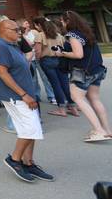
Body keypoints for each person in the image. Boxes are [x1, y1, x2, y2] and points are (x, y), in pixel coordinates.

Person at [0, 19, 53, 183]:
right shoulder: (0, 46)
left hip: (26, 94)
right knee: (31, 127)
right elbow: (2, 73)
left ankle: (28, 162)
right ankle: (15, 159)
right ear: (4, 30)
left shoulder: (13, 45)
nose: (19, 32)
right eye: (16, 30)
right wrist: (23, 94)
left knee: (30, 129)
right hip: (16, 96)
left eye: (19, 29)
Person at [57, 11, 110, 142]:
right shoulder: (87, 33)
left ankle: (99, 130)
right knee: (95, 99)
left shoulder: (72, 35)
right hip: (96, 70)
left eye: (62, 21)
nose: (62, 24)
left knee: (77, 98)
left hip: (82, 72)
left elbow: (78, 54)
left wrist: (62, 53)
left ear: (68, 21)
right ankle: (107, 130)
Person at [31, 16, 77, 118]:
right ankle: (73, 107)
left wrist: (38, 59)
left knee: (55, 84)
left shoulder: (40, 35)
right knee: (65, 84)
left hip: (47, 60)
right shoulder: (59, 36)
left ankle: (62, 109)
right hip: (60, 60)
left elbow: (38, 51)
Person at [22, 19, 57, 104]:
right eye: (26, 23)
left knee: (45, 77)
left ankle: (51, 96)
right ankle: (36, 96)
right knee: (33, 79)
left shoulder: (34, 32)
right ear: (21, 25)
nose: (28, 24)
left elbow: (39, 42)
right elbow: (29, 45)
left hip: (38, 57)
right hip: (30, 59)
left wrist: (34, 45)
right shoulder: (21, 35)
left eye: (28, 23)